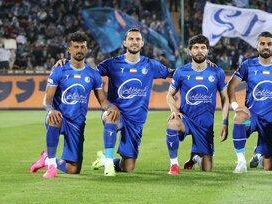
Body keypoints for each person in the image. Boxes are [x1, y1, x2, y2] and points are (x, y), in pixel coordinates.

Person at [29, 32, 118, 178]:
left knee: (73, 169)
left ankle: (45, 158)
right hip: (60, 118)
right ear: (69, 49)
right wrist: (51, 110)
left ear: (86, 49)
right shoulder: (59, 70)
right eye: (76, 47)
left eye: (82, 47)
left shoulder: (93, 74)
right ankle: (51, 166)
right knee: (54, 118)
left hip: (77, 124)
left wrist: (111, 108)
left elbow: (103, 102)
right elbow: (47, 100)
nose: (79, 50)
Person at [92, 28, 173, 175]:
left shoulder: (151, 65)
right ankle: (109, 161)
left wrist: (197, 68)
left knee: (128, 167)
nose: (134, 42)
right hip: (117, 113)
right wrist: (68, 64)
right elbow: (89, 74)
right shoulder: (112, 63)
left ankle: (105, 160)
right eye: (131, 39)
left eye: (137, 39)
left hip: (136, 121)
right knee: (110, 116)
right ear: (124, 43)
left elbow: (172, 73)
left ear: (142, 43)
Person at [227, 32, 272, 172]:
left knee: (270, 167)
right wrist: (236, 107)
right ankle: (241, 161)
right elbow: (231, 85)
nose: (266, 46)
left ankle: (259, 154)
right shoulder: (248, 65)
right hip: (252, 119)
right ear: (257, 46)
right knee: (240, 118)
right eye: (262, 43)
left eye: (269, 44)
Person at [165, 35, 229, 175]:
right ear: (190, 51)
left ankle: (195, 157)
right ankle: (174, 165)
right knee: (173, 123)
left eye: (203, 47)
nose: (199, 50)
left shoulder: (217, 72)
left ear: (207, 50)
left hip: (205, 126)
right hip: (186, 119)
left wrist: (225, 122)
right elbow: (169, 95)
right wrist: (174, 110)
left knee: (207, 168)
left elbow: (225, 98)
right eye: (196, 48)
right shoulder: (181, 72)